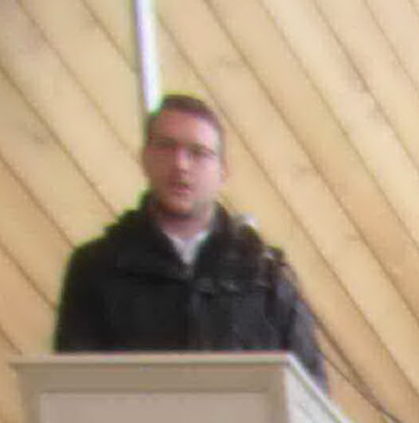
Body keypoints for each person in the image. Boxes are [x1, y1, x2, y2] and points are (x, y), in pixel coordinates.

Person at [55, 94, 325, 384]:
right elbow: (72, 390)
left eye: (199, 152)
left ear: (223, 172)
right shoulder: (96, 269)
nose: (180, 164)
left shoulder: (266, 276)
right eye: (167, 147)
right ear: (145, 158)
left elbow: (309, 395)